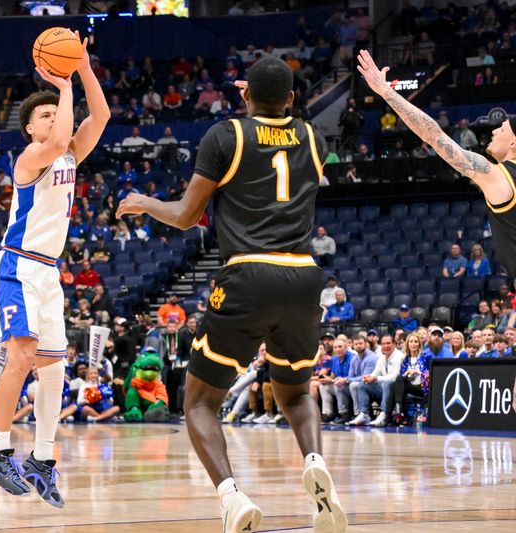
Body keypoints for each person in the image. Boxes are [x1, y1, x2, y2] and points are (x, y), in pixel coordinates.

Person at [115, 57, 346, 533]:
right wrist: (266, 99)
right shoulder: (313, 137)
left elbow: (183, 215)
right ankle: (316, 462)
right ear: (293, 99)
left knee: (199, 402)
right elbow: (278, 121)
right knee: (296, 393)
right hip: (305, 277)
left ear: (244, 96)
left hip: (247, 274)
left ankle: (231, 497)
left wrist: (143, 202)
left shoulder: (225, 136)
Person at [0, 32, 110, 508]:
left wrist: (84, 68)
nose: (55, 119)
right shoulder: (31, 158)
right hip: (16, 267)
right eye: (45, 114)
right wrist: (64, 84)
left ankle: (42, 458)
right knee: (22, 355)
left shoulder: (70, 153)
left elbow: (103, 117)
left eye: (56, 112)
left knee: (54, 371)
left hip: (48, 273)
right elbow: (60, 140)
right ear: (30, 130)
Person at [358, 49, 516, 280]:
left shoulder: (499, 176)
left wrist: (385, 92)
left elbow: (434, 135)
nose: (493, 131)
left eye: (501, 129)